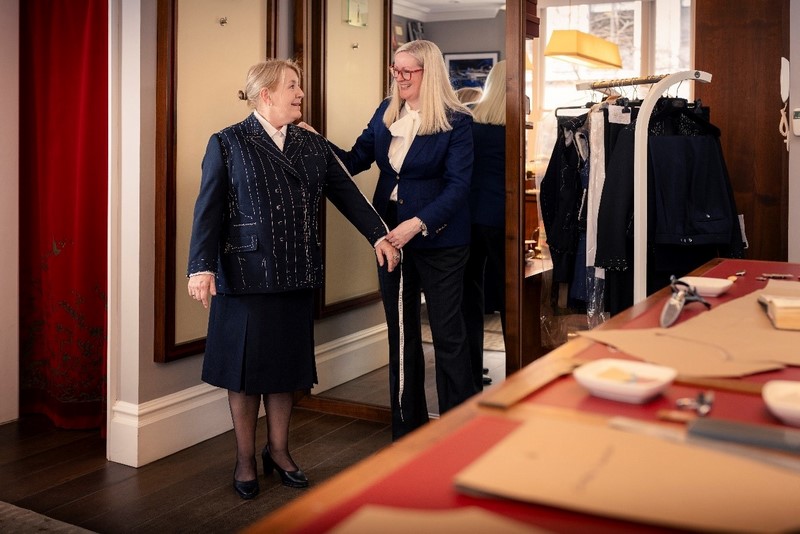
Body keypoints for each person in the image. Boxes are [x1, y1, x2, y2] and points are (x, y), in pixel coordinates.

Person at [186, 59, 399, 500]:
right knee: (244, 375)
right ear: (266, 95)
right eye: (293, 86)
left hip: (295, 272)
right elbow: (207, 210)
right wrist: (200, 267)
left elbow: (348, 195)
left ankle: (279, 451)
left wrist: (379, 234)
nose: (301, 94)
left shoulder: (311, 144)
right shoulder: (228, 143)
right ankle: (245, 459)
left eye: (299, 86)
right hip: (243, 277)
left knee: (286, 370)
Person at [325, 40, 478, 440]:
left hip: (440, 240)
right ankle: (406, 432)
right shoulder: (385, 111)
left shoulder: (457, 121)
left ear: (430, 73)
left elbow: (459, 187)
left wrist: (418, 223)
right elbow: (355, 159)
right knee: (401, 332)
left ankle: (459, 433)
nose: (400, 77)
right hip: (388, 238)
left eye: (408, 71)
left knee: (448, 336)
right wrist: (315, 141)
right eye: (396, 69)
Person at [461, 60, 507, 392]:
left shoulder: (470, 123)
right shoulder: (514, 127)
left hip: (468, 217)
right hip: (501, 219)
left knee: (470, 297)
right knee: (510, 297)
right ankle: (518, 367)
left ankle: (472, 370)